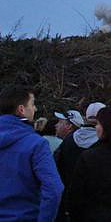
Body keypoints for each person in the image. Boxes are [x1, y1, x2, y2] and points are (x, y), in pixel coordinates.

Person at [0, 85, 64, 222]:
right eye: (33, 104)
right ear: (21, 109)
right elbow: (54, 189)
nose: (35, 109)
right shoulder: (36, 144)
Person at [55, 101, 105, 221]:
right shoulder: (107, 143)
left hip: (70, 201)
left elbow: (57, 169)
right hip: (99, 204)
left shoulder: (68, 141)